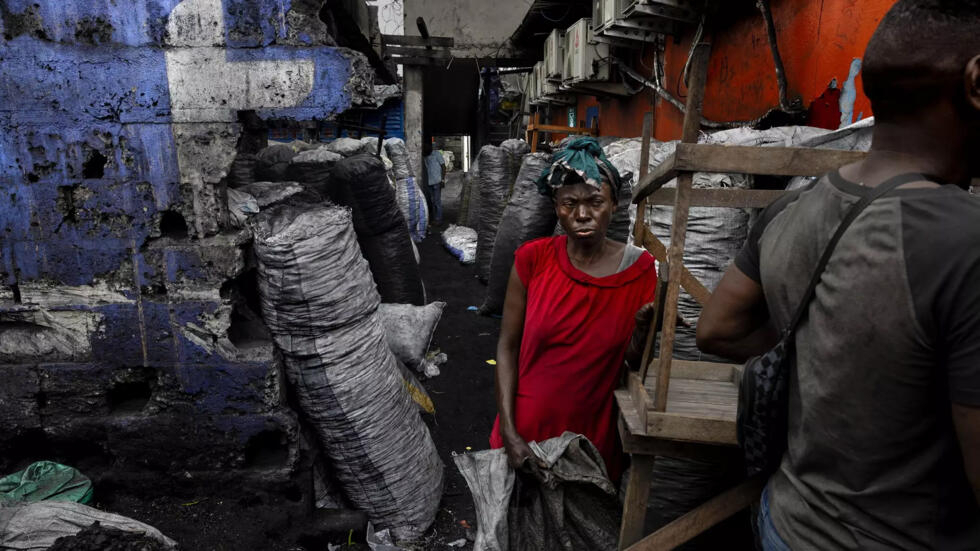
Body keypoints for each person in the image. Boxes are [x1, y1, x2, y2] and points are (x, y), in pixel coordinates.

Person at [696, 1, 980, 549]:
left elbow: (717, 328)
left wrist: (833, 346)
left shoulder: (792, 209)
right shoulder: (965, 241)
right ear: (975, 82)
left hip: (788, 522)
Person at [489, 137, 658, 481]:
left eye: (595, 202)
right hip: (524, 436)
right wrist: (509, 432)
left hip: (590, 444)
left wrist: (643, 329)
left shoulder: (640, 271)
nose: (582, 214)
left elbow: (633, 365)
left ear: (613, 204)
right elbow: (507, 348)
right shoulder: (533, 259)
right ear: (556, 207)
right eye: (570, 204)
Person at [423, 141, 445, 225]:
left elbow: (443, 166)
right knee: (432, 201)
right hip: (429, 183)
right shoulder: (425, 156)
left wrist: (443, 180)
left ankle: (439, 220)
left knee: (437, 201)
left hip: (437, 181)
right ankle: (435, 218)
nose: (425, 151)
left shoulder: (437, 154)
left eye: (426, 149)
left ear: (430, 148)